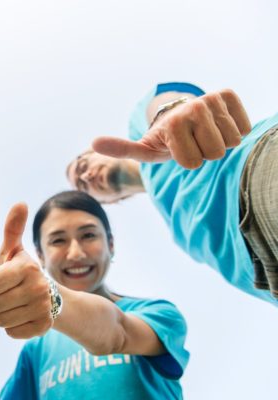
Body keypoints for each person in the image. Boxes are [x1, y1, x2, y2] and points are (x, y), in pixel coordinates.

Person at [66, 82, 278, 305]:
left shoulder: (143, 128)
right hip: (265, 277)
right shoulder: (175, 227)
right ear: (111, 201)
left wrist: (173, 112)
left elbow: (169, 104)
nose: (86, 176)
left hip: (254, 176)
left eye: (82, 167)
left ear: (97, 153)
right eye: (82, 185)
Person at [0, 191, 188, 399]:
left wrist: (52, 299)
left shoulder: (160, 315)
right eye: (58, 241)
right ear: (40, 256)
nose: (76, 254)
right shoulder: (36, 350)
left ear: (111, 244)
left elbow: (118, 332)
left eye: (88, 235)